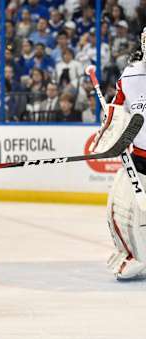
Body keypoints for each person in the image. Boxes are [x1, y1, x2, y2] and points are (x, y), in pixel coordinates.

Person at [93, 28, 146, 280]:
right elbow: (118, 109)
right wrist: (112, 125)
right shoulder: (131, 76)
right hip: (138, 161)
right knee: (119, 207)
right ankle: (131, 255)